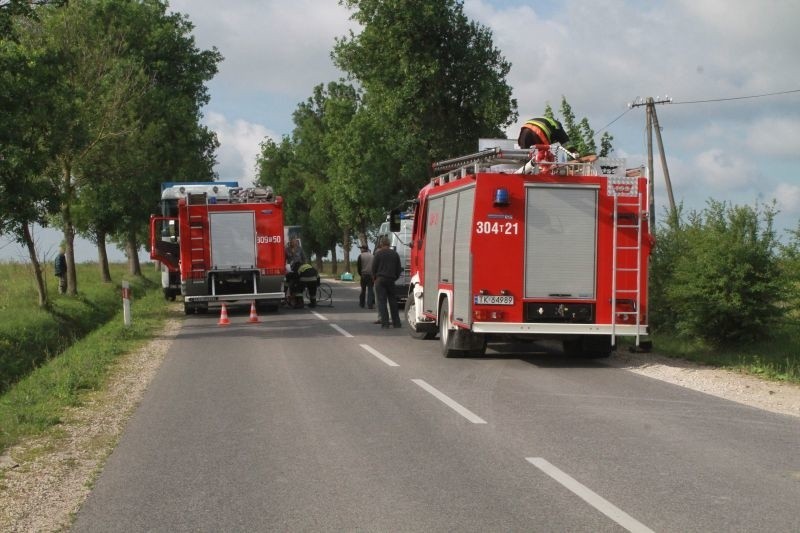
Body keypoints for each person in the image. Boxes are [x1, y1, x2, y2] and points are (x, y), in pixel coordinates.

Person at [371, 235, 402, 329]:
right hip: (391, 280)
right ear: (389, 244)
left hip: (380, 280)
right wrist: (395, 277)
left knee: (382, 302)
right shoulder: (395, 254)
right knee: (393, 301)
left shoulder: (378, 254)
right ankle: (396, 323)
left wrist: (374, 279)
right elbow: (398, 269)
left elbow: (373, 268)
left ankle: (385, 323)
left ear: (381, 244)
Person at [356, 245, 375, 309]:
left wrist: (360, 274)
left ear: (363, 249)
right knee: (370, 290)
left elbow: (359, 267)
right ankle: (370, 304)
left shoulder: (360, 256)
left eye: (361, 248)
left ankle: (362, 303)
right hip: (371, 275)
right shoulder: (372, 256)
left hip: (364, 275)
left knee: (363, 290)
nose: (360, 250)